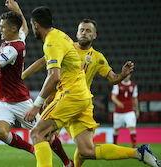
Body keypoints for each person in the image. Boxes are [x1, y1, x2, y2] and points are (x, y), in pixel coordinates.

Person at [23, 6, 160, 167]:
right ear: (76, 32)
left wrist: (121, 75)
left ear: (94, 35)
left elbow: (54, 76)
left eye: (88, 31)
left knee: (38, 133)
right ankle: (139, 153)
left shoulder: (95, 57)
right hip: (80, 99)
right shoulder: (66, 42)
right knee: (86, 151)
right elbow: (44, 62)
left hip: (70, 97)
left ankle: (66, 162)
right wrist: (23, 75)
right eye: (82, 30)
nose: (84, 33)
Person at [0, 1, 73, 167]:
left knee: (45, 134)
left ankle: (67, 162)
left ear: (12, 29)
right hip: (2, 100)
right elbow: (24, 27)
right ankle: (32, 150)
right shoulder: (18, 38)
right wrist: (18, 10)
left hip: (19, 100)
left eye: (2, 26)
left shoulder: (13, 49)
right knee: (1, 133)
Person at [111, 74, 139, 147]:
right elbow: (113, 97)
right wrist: (118, 102)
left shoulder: (133, 85)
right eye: (125, 75)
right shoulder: (117, 85)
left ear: (130, 76)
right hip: (118, 112)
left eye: (128, 75)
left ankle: (134, 145)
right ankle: (115, 144)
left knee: (132, 126)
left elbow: (135, 98)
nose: (126, 76)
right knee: (116, 129)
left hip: (129, 111)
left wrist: (137, 110)